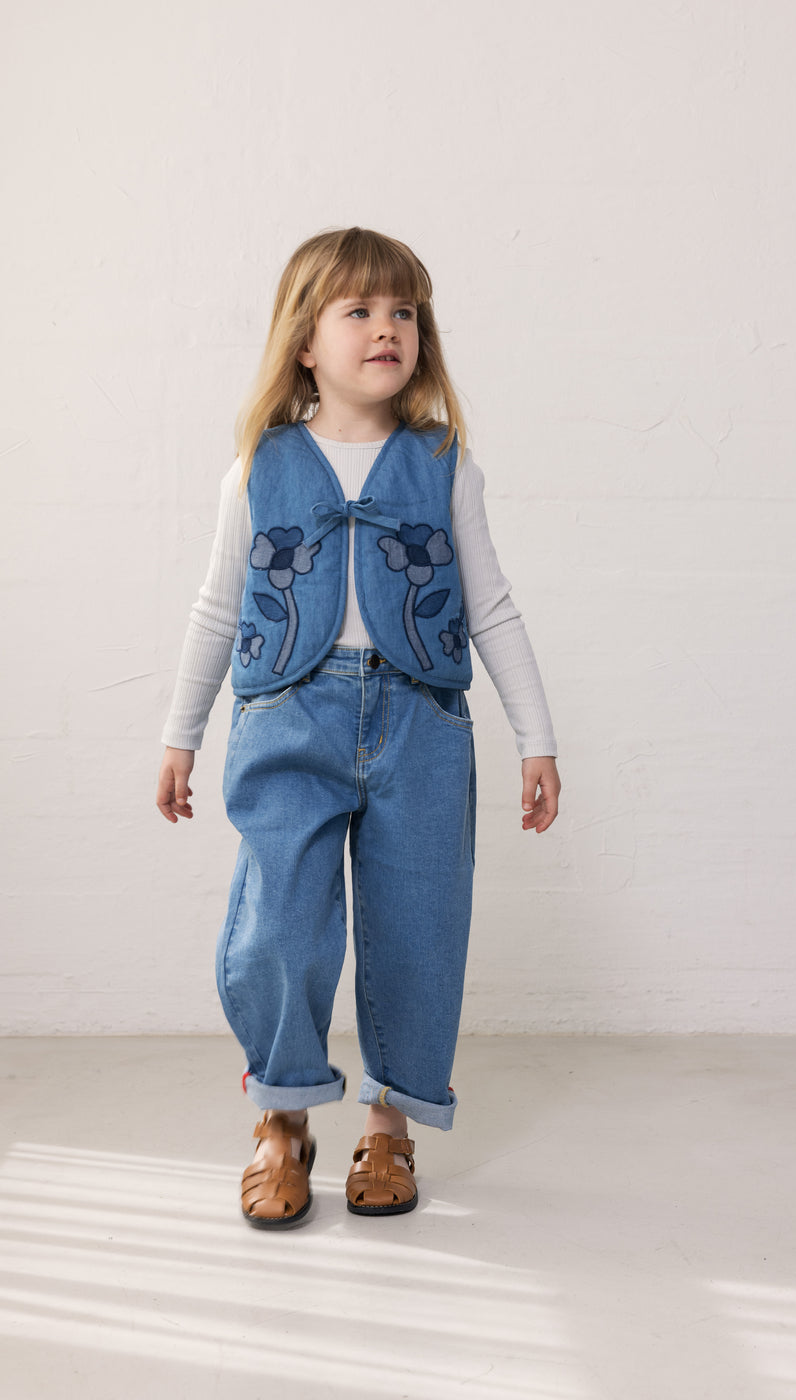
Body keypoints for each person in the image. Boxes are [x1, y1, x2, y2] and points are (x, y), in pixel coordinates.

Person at [156, 226, 561, 1228]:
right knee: (275, 933)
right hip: (287, 717)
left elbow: (494, 604)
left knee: (418, 931)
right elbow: (215, 607)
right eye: (360, 310)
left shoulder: (443, 465)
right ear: (304, 341)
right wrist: (180, 733)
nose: (387, 327)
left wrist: (534, 734)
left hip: (421, 723)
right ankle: (281, 1116)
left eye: (404, 311)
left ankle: (389, 1121)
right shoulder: (257, 468)